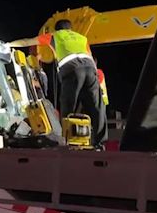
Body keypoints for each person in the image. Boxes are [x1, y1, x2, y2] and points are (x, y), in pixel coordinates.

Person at [9, 20, 108, 148]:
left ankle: (66, 140)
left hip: (72, 69)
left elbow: (27, 41)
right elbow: (89, 55)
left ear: (56, 29)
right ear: (70, 29)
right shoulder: (82, 38)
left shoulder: (55, 36)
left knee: (68, 105)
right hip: (90, 69)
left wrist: (9, 44)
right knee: (97, 107)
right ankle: (100, 143)